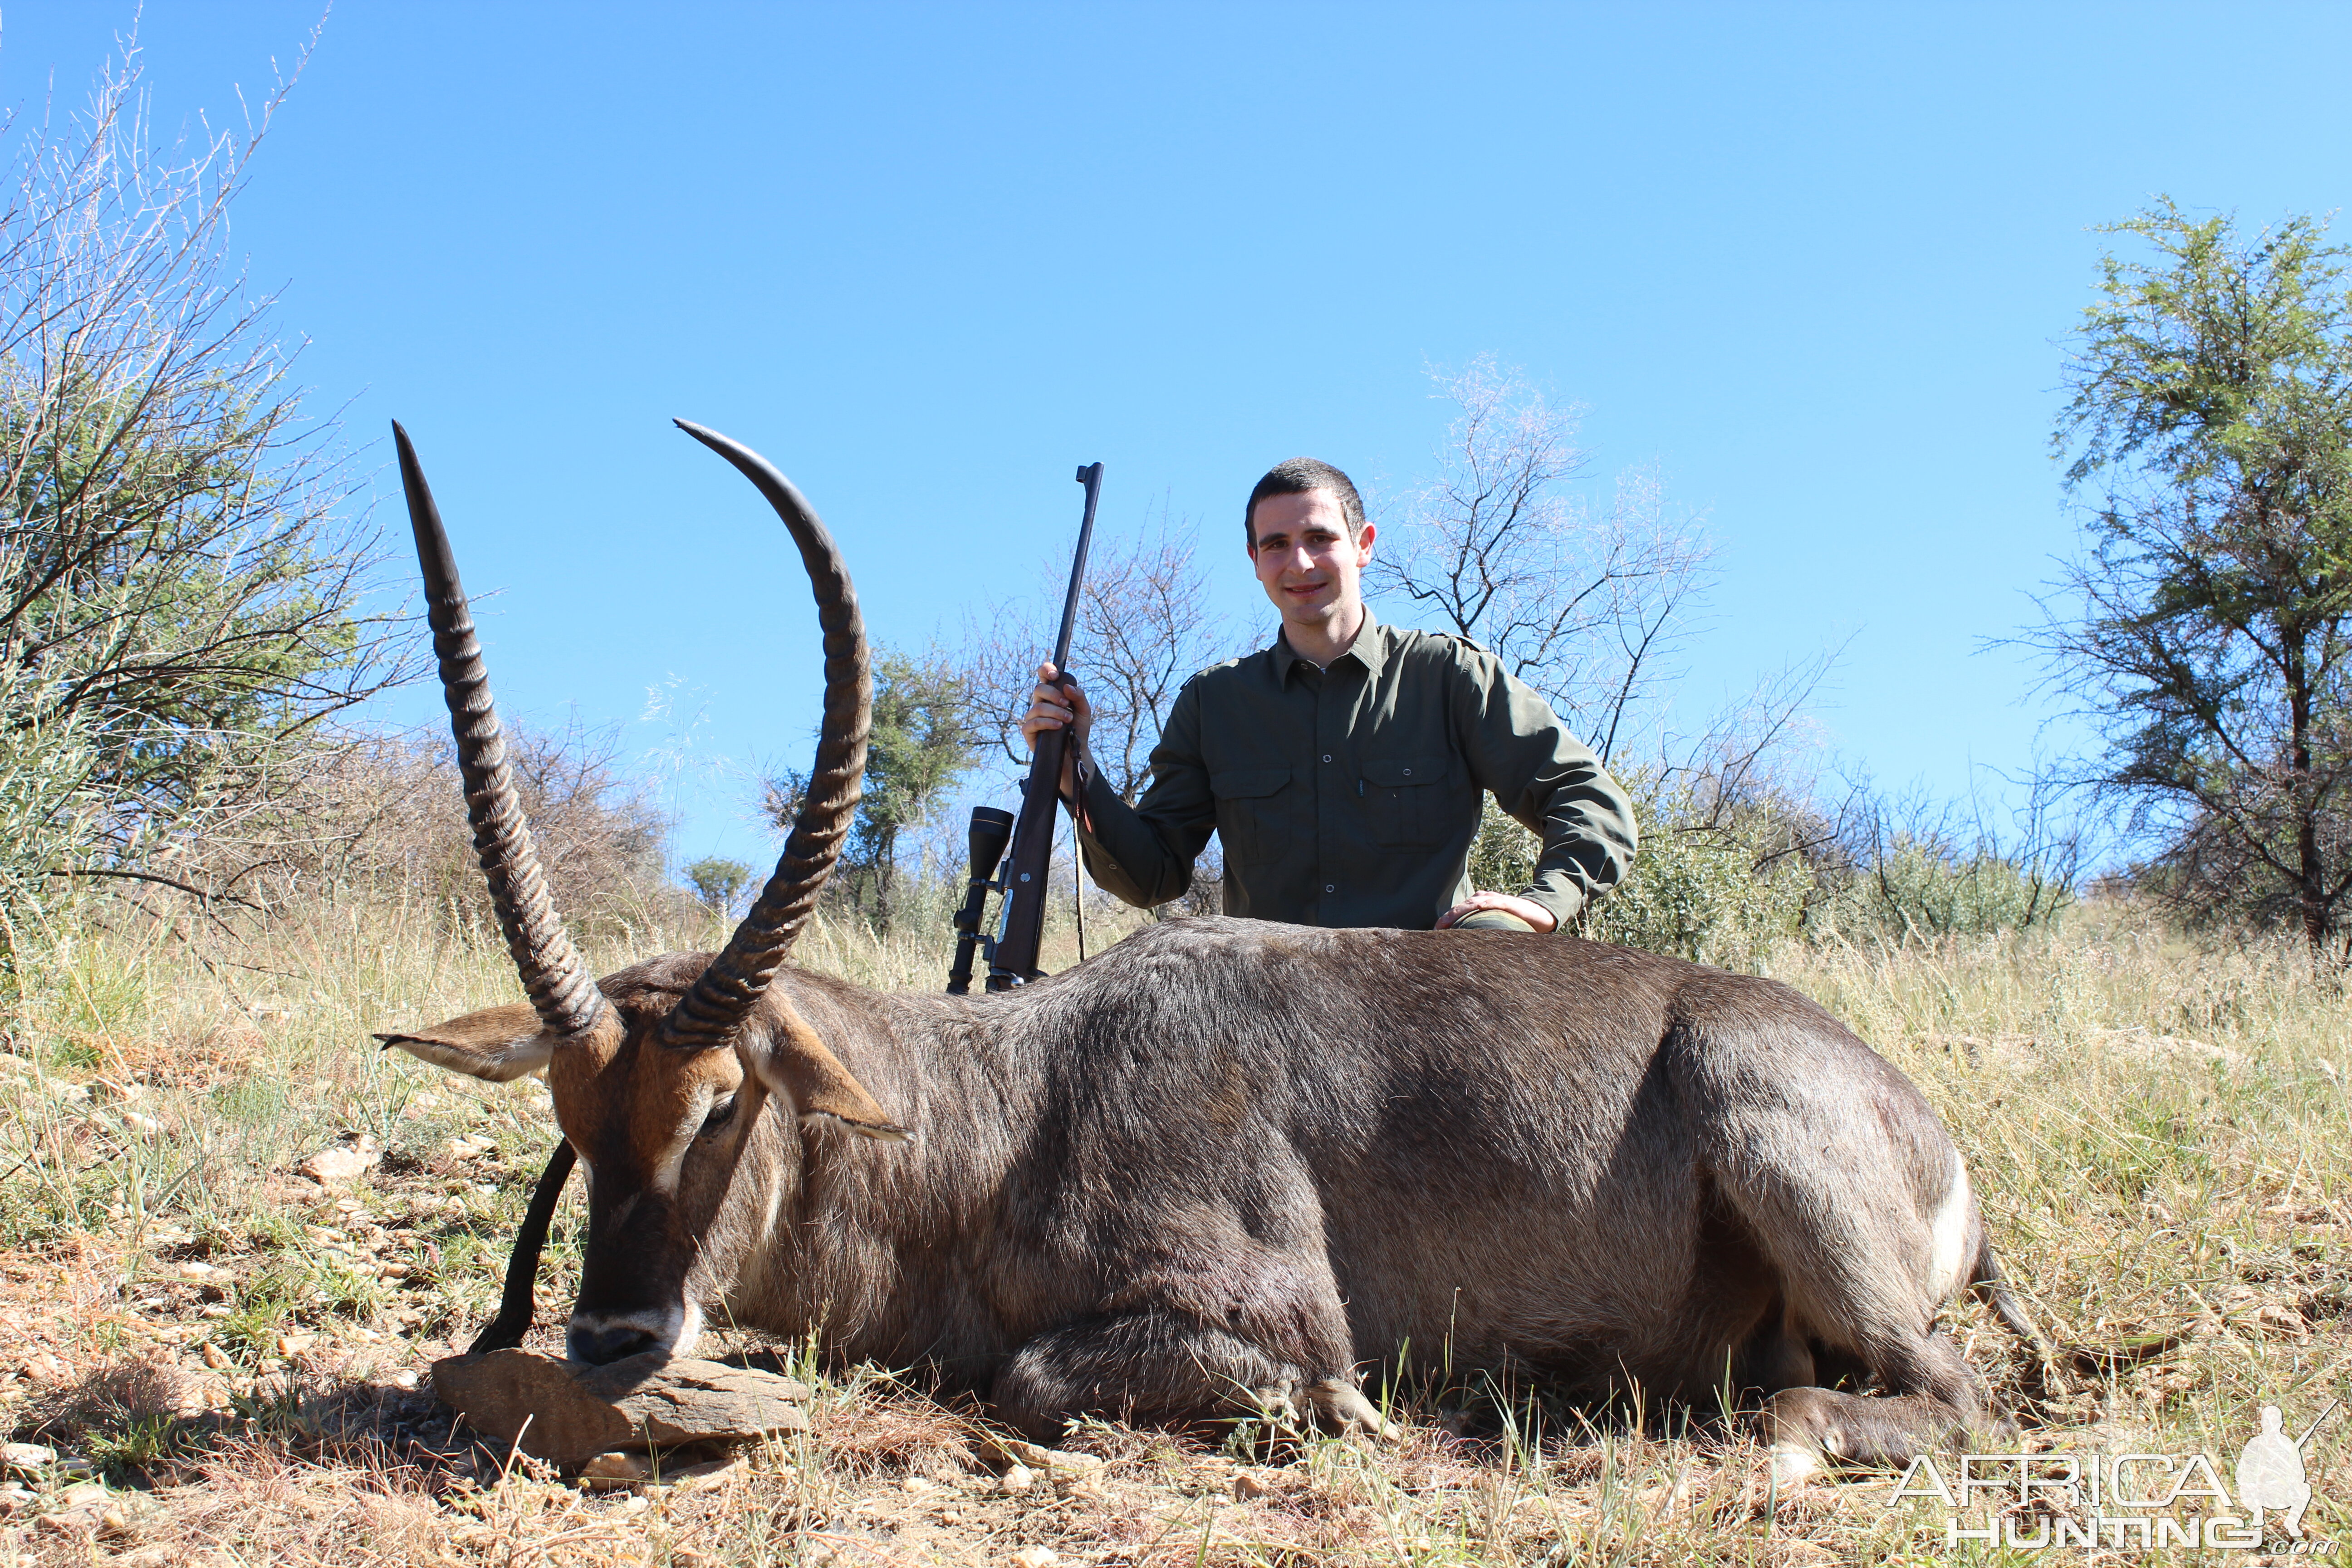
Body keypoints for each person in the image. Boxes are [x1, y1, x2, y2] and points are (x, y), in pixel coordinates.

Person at [1019, 456, 1637, 932]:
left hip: (1429, 1003)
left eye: (1320, 538)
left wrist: (1545, 905)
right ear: (1254, 561)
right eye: (1277, 545)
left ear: (1364, 544)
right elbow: (1154, 874)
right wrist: (1079, 771)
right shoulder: (1214, 703)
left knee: (1497, 937)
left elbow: (1589, 800)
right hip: (1271, 1016)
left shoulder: (1447, 674)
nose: (1301, 563)